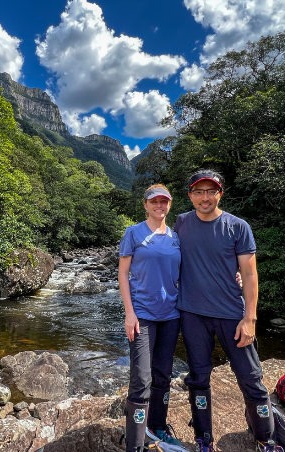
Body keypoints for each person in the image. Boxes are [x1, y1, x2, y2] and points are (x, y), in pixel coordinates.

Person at [174, 170, 283, 452]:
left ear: (220, 193)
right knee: (198, 378)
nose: (205, 197)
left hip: (232, 315)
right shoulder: (182, 222)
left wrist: (250, 318)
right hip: (193, 314)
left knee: (251, 378)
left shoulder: (237, 226)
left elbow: (249, 274)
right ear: (190, 195)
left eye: (211, 191)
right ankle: (203, 439)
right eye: (199, 192)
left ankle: (266, 439)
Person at [119, 184, 183, 452]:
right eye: (154, 201)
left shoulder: (176, 236)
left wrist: (234, 275)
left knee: (163, 374)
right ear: (145, 204)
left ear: (169, 204)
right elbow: (123, 274)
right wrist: (129, 313)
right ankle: (134, 442)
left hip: (171, 315)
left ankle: (157, 427)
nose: (160, 206)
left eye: (164, 202)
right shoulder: (133, 233)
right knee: (142, 378)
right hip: (142, 315)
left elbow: (195, 267)